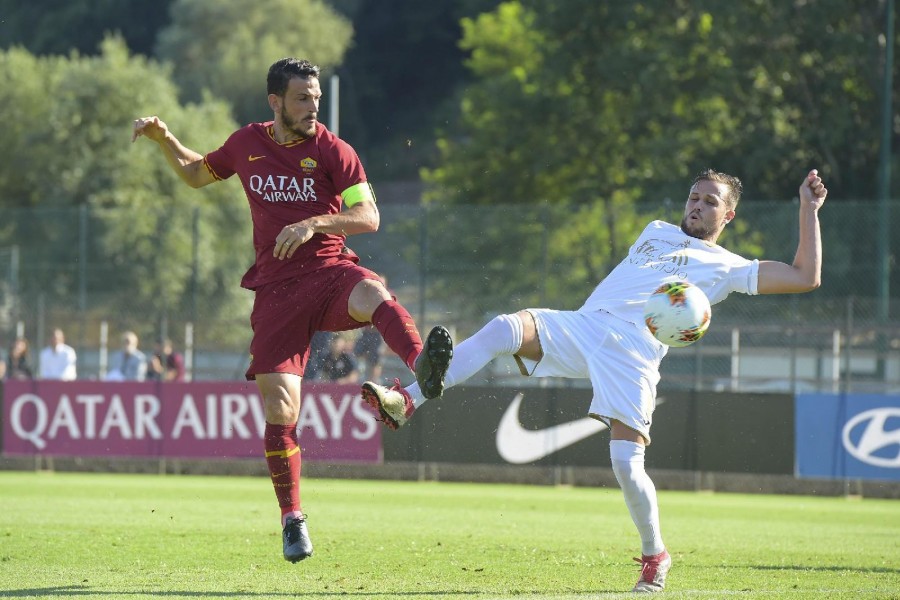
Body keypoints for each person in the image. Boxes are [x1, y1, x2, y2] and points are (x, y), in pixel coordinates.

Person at [363, 168, 828, 593]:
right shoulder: (656, 232)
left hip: (634, 354)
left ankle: (655, 555)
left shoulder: (728, 268)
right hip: (585, 326)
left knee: (626, 465)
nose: (697, 206)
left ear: (728, 214)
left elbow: (805, 276)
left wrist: (808, 210)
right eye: (693, 196)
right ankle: (409, 398)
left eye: (709, 201)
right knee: (505, 327)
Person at [132, 57, 453, 564]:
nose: (313, 107)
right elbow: (197, 174)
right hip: (276, 295)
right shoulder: (246, 144)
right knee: (282, 410)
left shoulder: (333, 150)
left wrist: (314, 223)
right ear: (275, 102)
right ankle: (292, 519)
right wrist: (164, 140)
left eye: (316, 98)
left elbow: (368, 217)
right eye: (302, 98)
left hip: (329, 274)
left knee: (374, 295)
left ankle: (423, 370)